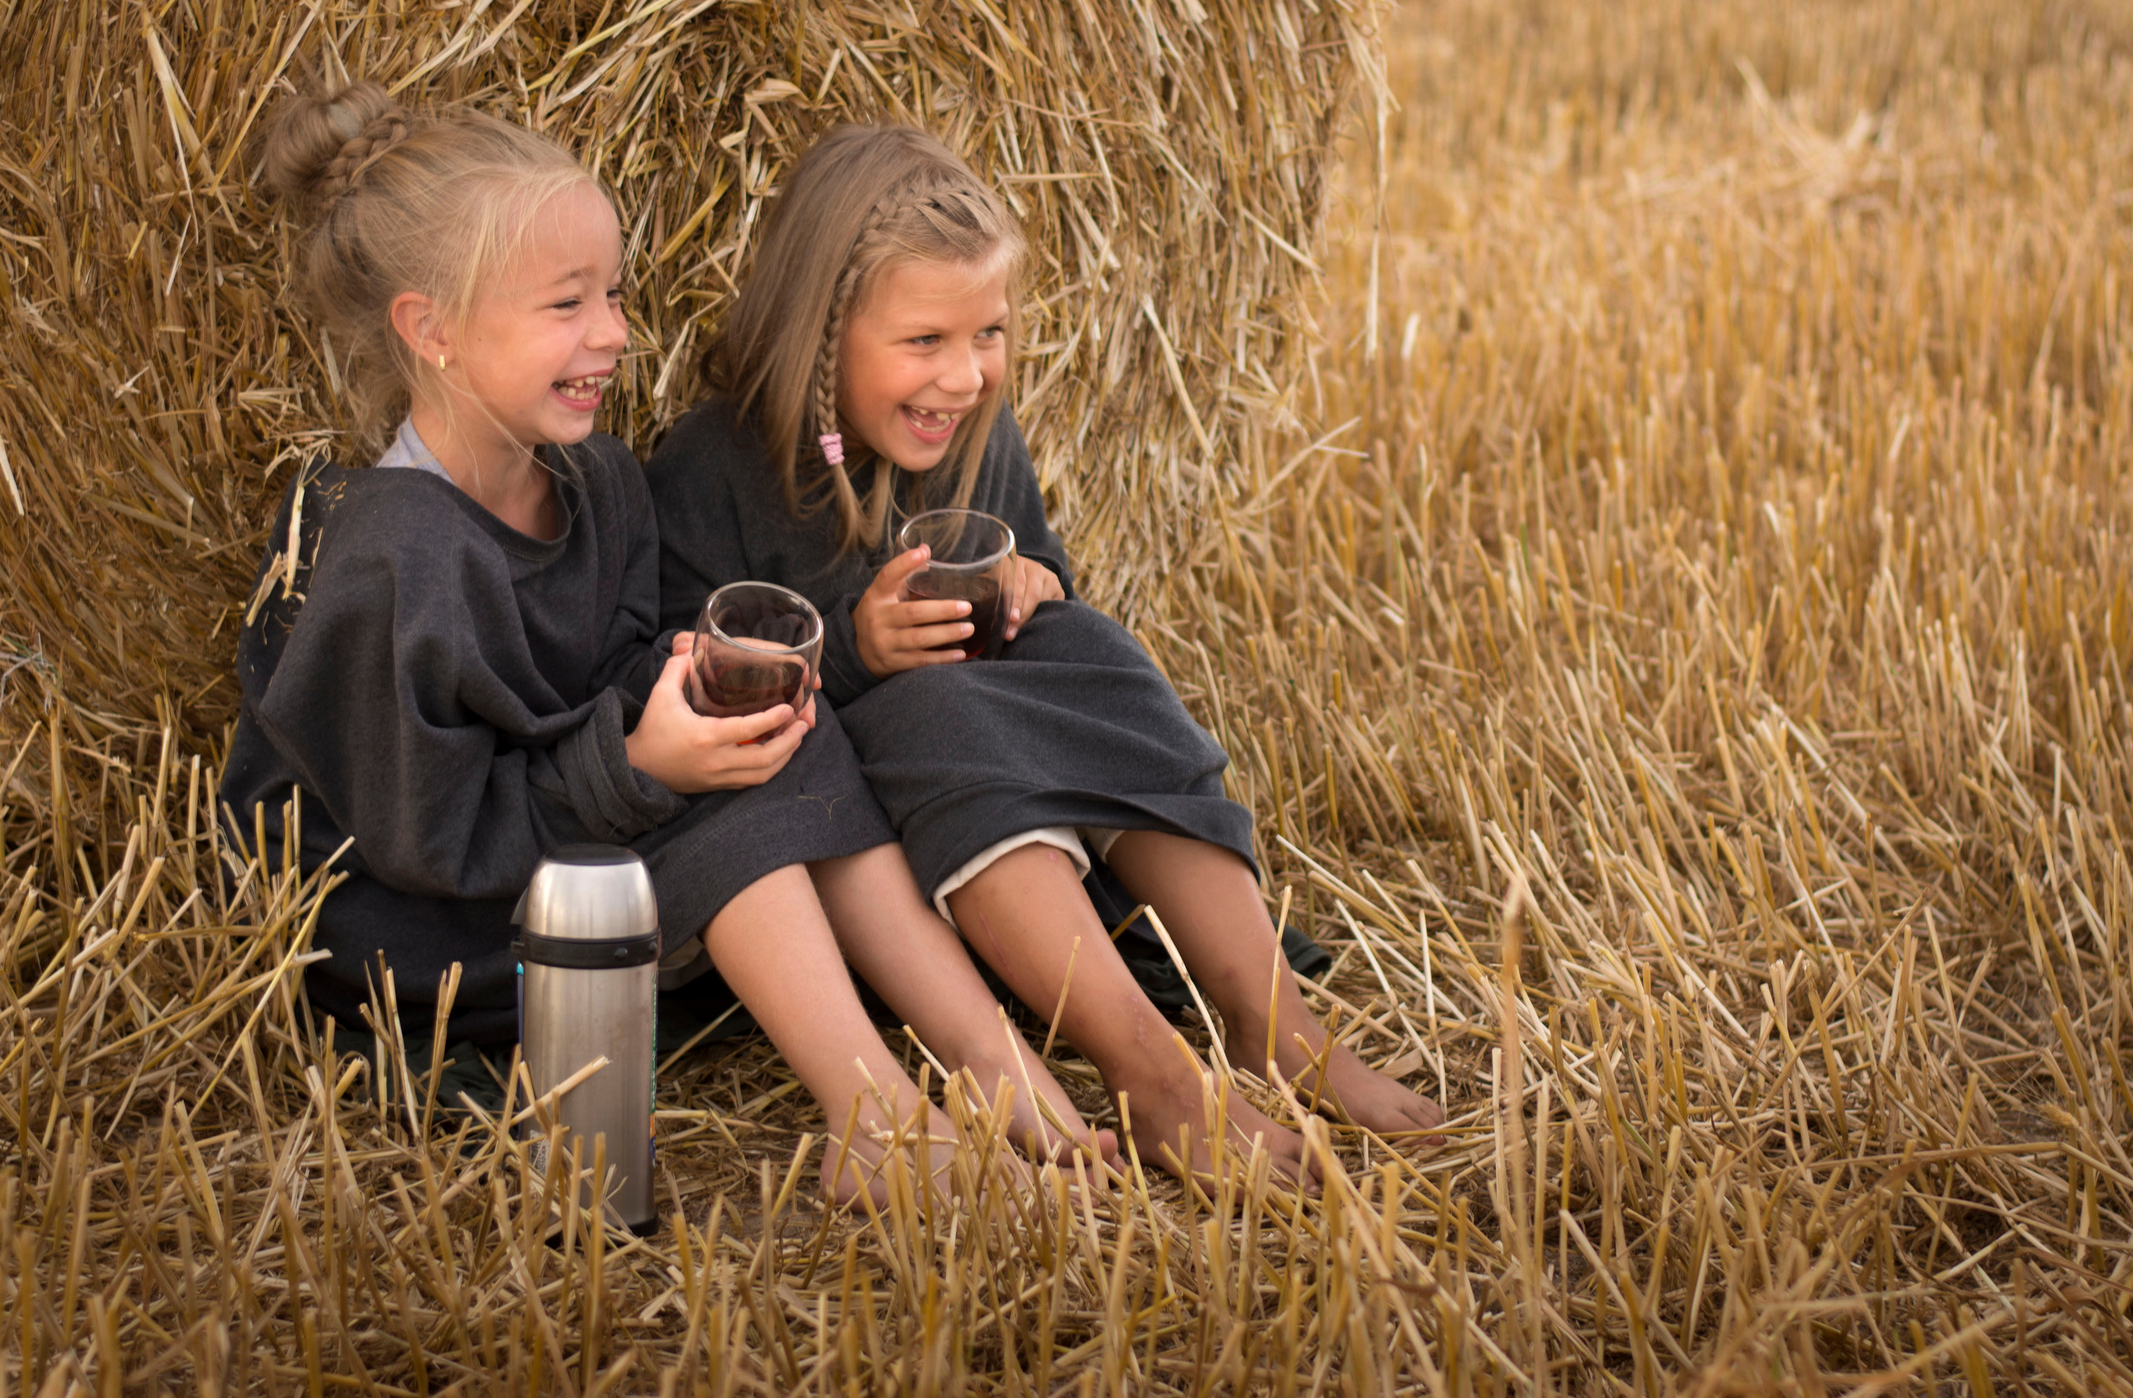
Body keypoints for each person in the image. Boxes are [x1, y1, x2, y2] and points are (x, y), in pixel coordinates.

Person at [218, 85, 1109, 1202]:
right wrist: (641, 766)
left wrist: (686, 702)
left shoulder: (599, 487)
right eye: (565, 306)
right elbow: (427, 836)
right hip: (436, 935)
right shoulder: (389, 553)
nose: (614, 335)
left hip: (582, 860)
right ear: (430, 328)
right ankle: (875, 1118)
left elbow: (623, 671)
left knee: (776, 718)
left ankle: (996, 1066)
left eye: (615, 294)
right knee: (721, 783)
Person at [644, 123, 1447, 1183]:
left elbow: (1044, 558)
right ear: (821, 328)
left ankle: (1273, 1020)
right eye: (925, 341)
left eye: (991, 333)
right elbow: (716, 693)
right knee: (938, 714)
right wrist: (855, 649)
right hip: (867, 817)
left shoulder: (976, 427)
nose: (966, 376)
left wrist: (1035, 583)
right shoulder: (711, 464)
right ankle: (1151, 1075)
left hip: (990, 759)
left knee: (1092, 650)